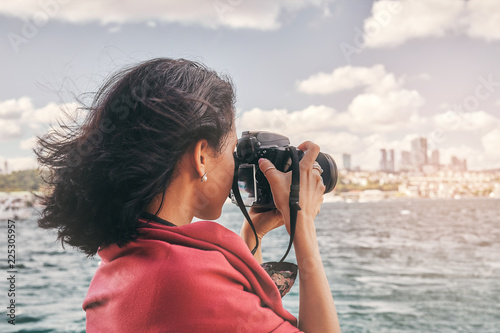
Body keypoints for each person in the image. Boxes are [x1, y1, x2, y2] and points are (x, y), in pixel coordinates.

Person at [36, 58, 341, 332]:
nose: (236, 166)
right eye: (231, 150)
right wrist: (304, 231)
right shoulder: (188, 281)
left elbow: (238, 308)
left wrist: (253, 234)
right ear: (202, 156)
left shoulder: (114, 269)